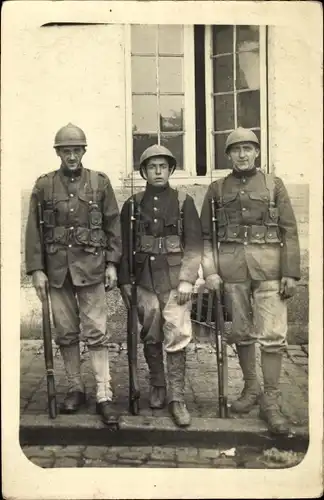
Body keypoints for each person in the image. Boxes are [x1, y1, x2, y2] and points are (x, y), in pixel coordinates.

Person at [200, 127, 300, 435]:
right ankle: (251, 388)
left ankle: (270, 399)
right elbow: (205, 237)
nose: (242, 154)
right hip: (232, 272)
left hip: (270, 270)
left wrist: (290, 272)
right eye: (236, 150)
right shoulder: (217, 189)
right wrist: (211, 272)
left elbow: (289, 231)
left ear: (257, 152)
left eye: (248, 148)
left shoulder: (274, 184)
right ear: (228, 155)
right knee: (241, 332)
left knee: (272, 335)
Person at [25, 123, 122, 425]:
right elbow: (33, 231)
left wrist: (112, 264)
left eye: (76, 150)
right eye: (65, 151)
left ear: (83, 151)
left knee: (96, 332)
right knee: (66, 332)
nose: (71, 156)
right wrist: (37, 269)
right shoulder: (44, 186)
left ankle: (104, 393)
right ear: (58, 153)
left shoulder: (99, 183)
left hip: (92, 268)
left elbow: (113, 226)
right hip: (57, 272)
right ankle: (74, 387)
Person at [119, 144, 202, 427]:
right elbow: (125, 247)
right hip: (143, 281)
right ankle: (158, 384)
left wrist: (188, 279)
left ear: (170, 171)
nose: (158, 171)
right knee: (151, 333)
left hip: (175, 281)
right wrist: (125, 284)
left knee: (177, 334)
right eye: (152, 166)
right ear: (143, 171)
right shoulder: (132, 205)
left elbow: (194, 245)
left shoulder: (183, 202)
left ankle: (177, 397)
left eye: (163, 167)